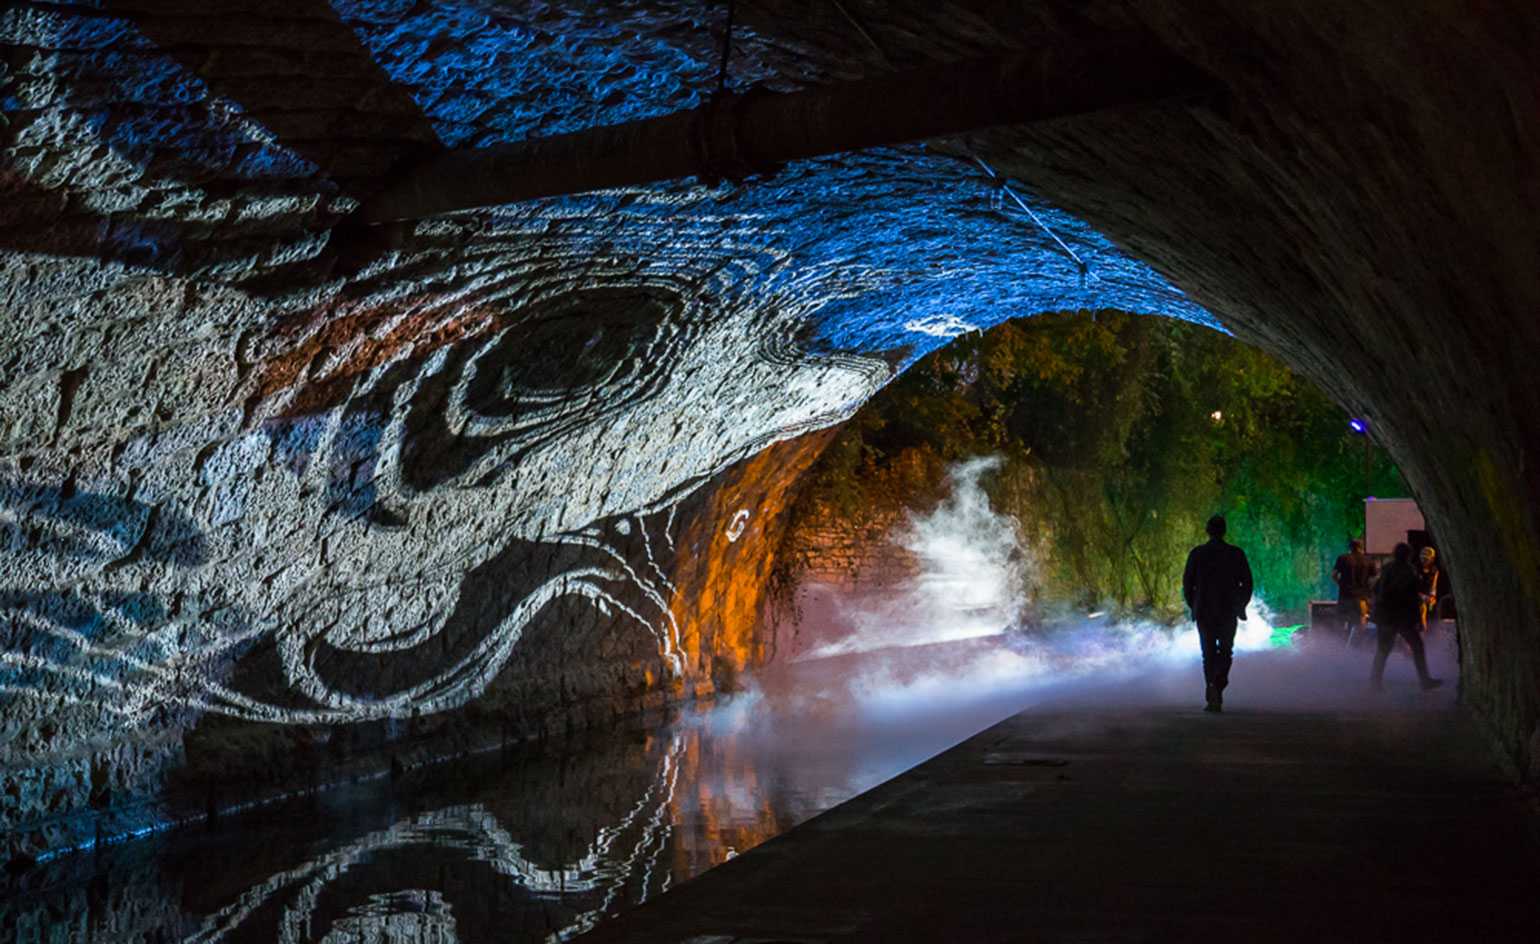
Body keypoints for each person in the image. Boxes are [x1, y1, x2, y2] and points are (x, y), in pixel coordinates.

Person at [1183, 515, 1254, 713]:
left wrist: (1194, 605)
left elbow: (1188, 584)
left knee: (1207, 653)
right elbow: (1247, 583)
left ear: (1208, 530)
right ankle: (1219, 684)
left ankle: (1213, 688)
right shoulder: (1236, 554)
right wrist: (1241, 605)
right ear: (1224, 531)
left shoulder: (1197, 554)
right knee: (1225, 651)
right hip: (1228, 610)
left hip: (1204, 610)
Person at [1371, 542, 1443, 691]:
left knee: (1383, 650)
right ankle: (1425, 681)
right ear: (1408, 556)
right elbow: (1411, 596)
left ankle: (1375, 682)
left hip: (1384, 615)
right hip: (1401, 617)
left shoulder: (1387, 569)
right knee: (1417, 646)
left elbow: (1376, 588)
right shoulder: (1409, 571)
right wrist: (1417, 618)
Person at [1331, 539, 1377, 644]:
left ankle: (1339, 647)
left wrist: (1341, 585)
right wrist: (1367, 589)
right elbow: (1374, 579)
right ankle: (1356, 647)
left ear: (1350, 548)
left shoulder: (1342, 558)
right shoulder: (1369, 560)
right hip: (1361, 598)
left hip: (1345, 596)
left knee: (1341, 622)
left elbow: (1333, 575)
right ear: (1362, 547)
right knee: (1360, 623)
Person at [1417, 546, 1441, 633]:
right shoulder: (1415, 569)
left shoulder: (1434, 570)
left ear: (1432, 559)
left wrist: (1432, 596)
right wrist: (1422, 596)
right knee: (1421, 609)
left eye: (1426, 559)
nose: (1424, 561)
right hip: (1415, 597)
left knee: (1432, 610)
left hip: (1427, 597)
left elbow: (1433, 586)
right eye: (1422, 558)